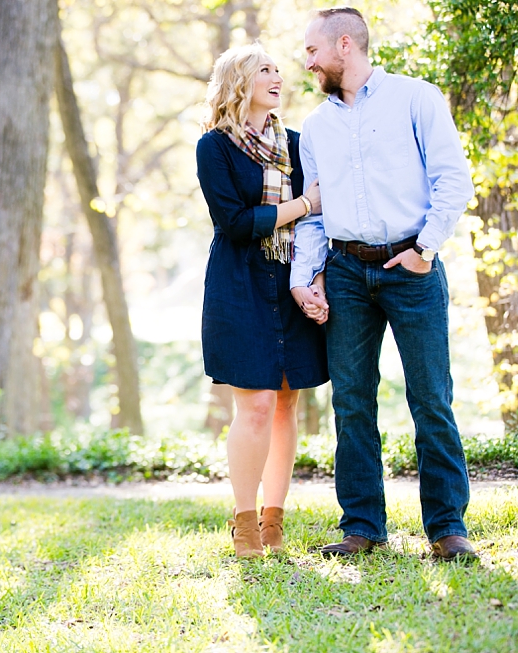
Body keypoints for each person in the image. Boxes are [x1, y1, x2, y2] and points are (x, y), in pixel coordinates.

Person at [291, 7, 478, 561]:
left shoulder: (416, 98)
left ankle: (447, 528)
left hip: (411, 269)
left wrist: (425, 249)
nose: (306, 62)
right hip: (346, 272)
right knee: (350, 403)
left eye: (312, 51)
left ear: (343, 45)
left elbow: (453, 178)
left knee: (431, 399)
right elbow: (315, 215)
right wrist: (307, 278)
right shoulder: (317, 128)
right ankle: (362, 527)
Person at [197, 43, 329, 559]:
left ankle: (274, 519)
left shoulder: (296, 144)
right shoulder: (215, 148)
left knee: (286, 402)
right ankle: (245, 521)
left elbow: (319, 221)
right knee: (252, 406)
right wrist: (301, 204)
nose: (277, 77)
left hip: (291, 278)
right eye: (264, 70)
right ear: (238, 82)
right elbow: (235, 223)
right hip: (240, 286)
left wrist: (315, 275)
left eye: (278, 69)